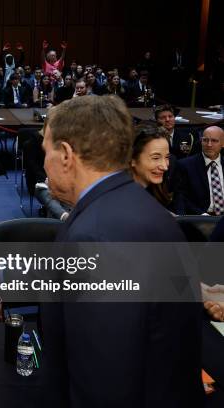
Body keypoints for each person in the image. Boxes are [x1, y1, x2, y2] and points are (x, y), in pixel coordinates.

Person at [39, 94, 202, 407]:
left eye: (45, 149)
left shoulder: (93, 238)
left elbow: (104, 376)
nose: (43, 161)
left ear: (66, 155)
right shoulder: (145, 210)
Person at [173, 126, 224, 215]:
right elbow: (181, 197)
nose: (209, 144)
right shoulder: (185, 165)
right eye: (205, 140)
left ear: (223, 143)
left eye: (214, 141)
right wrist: (200, 214)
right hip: (199, 218)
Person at [130, 125, 173, 210]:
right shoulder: (120, 201)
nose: (165, 167)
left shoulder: (157, 191)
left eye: (167, 157)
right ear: (132, 159)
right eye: (156, 158)